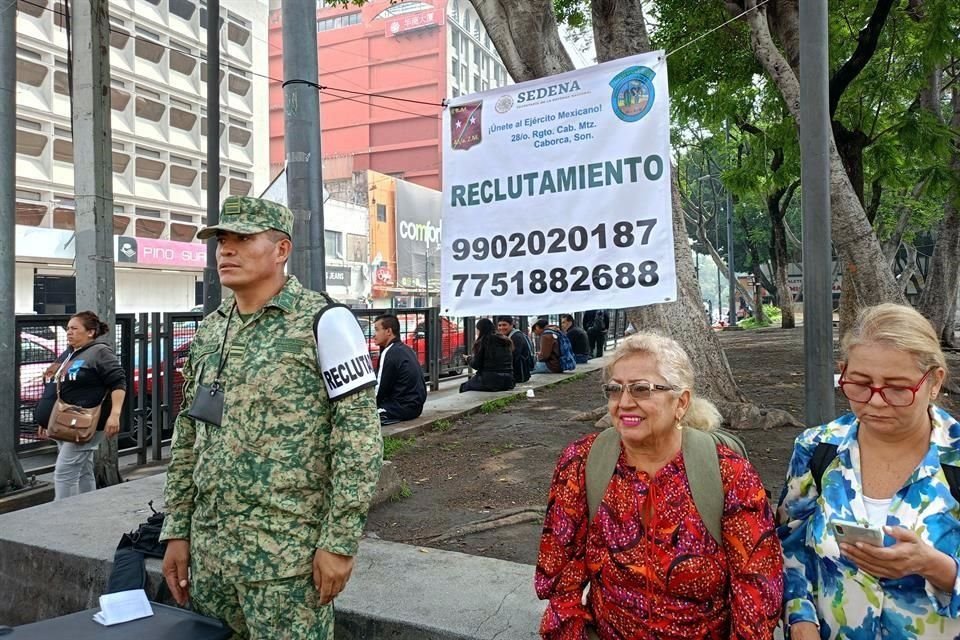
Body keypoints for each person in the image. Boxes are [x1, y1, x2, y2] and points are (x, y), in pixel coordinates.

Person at [160, 196, 382, 640]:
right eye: (222, 239)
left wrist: (339, 542)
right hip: (212, 558)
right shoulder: (211, 329)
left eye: (243, 238)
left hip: (287, 562)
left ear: (281, 250)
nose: (226, 249)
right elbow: (189, 433)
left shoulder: (325, 323)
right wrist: (177, 529)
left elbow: (359, 437)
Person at [536, 332, 783, 639]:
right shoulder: (581, 462)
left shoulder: (728, 473)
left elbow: (757, 590)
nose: (624, 403)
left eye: (642, 389)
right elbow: (560, 577)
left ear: (681, 402)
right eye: (615, 390)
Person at [778, 303, 960, 639]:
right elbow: (791, 547)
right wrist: (800, 621)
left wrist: (935, 566)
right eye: (860, 383)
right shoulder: (817, 449)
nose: (875, 401)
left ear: (934, 382)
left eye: (897, 388)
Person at [36, 311, 126, 501]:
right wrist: (45, 419)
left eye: (74, 328)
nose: (69, 332)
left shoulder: (99, 352)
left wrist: (114, 415)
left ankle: (61, 514)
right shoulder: (69, 353)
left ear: (91, 332)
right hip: (63, 422)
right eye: (68, 328)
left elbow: (118, 382)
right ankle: (88, 506)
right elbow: (54, 386)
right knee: (84, 470)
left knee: (64, 473)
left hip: (85, 422)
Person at [373, 313, 427, 425]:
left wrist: (369, 406)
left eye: (377, 330)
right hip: (416, 407)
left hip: (400, 408)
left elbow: (379, 389)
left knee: (364, 416)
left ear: (388, 331)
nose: (374, 335)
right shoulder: (407, 349)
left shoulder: (389, 352)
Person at [459, 318, 515, 393]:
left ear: (480, 330)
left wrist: (468, 358)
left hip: (490, 381)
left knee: (463, 387)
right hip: (508, 381)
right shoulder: (505, 340)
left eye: (477, 329)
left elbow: (476, 365)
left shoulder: (483, 342)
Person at [497, 316, 534, 383]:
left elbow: (513, 358)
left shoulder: (516, 337)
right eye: (499, 325)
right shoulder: (514, 335)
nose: (501, 328)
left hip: (518, 376)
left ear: (511, 325)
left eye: (504, 325)